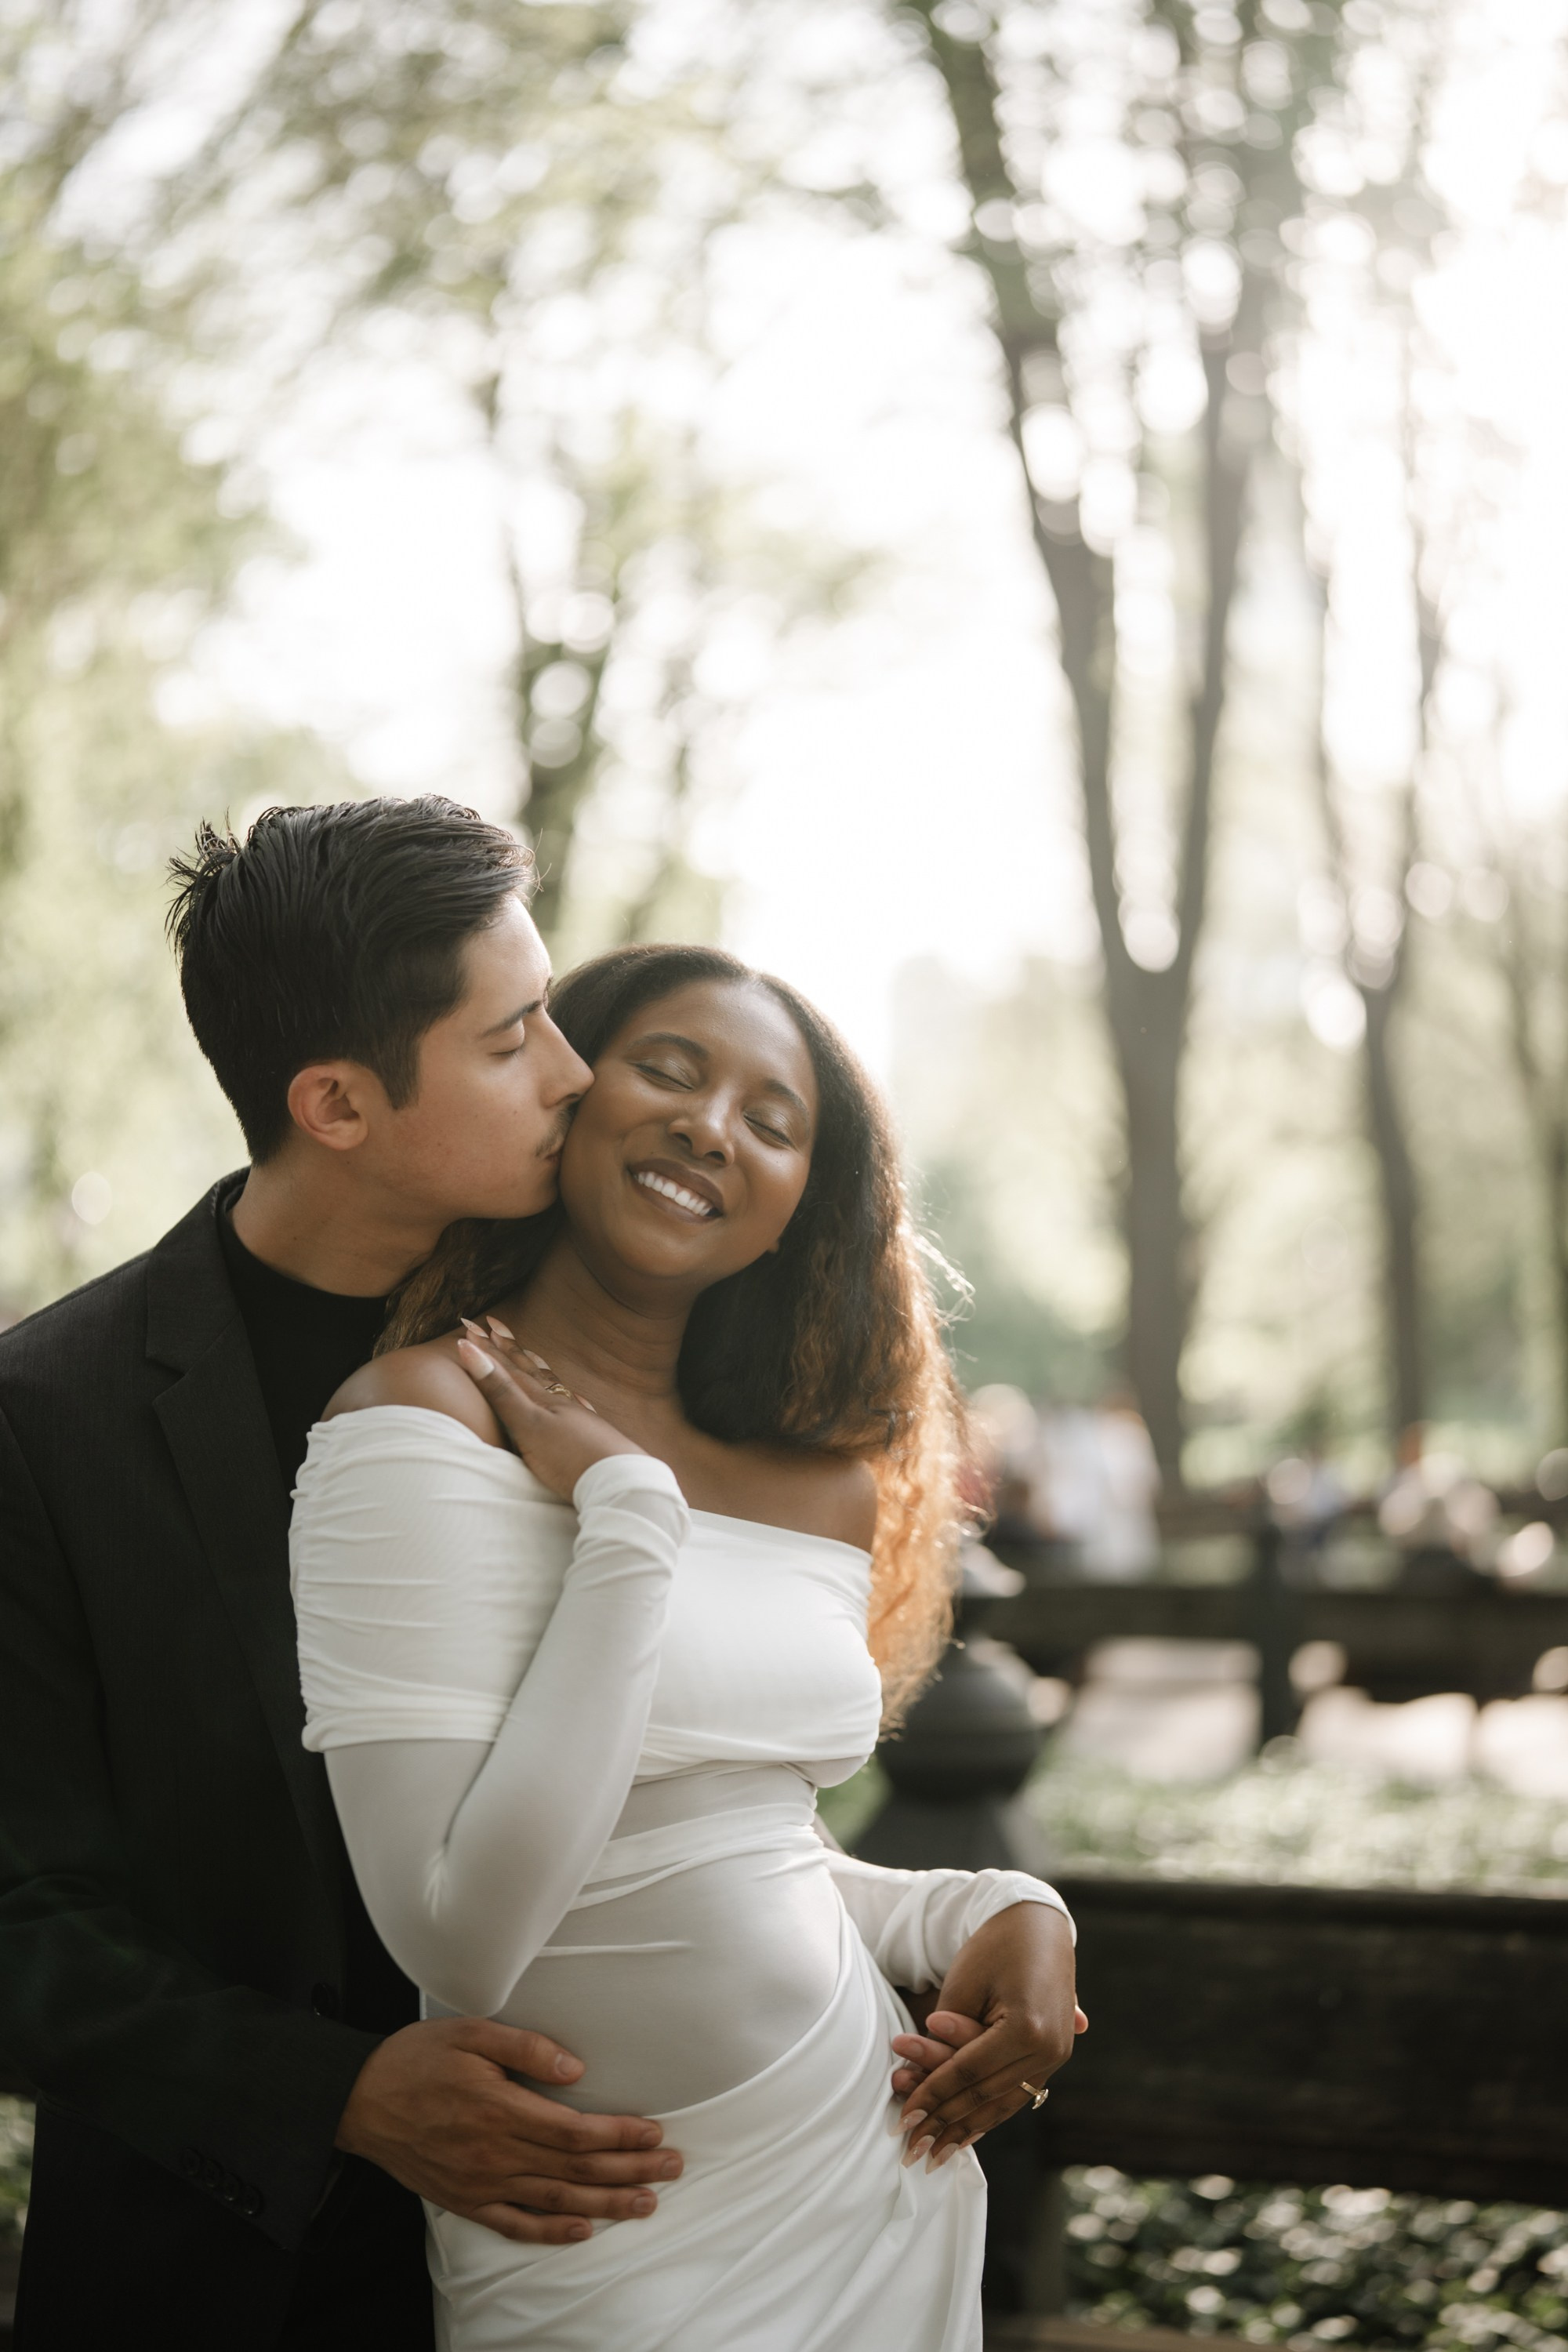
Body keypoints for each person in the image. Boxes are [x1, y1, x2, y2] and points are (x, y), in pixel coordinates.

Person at [292, 943, 1082, 2351]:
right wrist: (627, 1515)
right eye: (669, 1070)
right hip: (609, 2238)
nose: (714, 1126)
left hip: (874, 2180)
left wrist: (988, 1908)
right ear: (570, 1100)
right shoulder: (417, 1423)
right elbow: (462, 1936)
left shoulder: (823, 1487)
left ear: (793, 1211)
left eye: (773, 1123)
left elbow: (738, 1849)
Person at [0, 801, 692, 2350]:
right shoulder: (44, 1418)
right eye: (513, 1040)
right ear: (335, 1102)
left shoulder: (627, 1329)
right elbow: (14, 1913)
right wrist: (337, 2097)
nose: (572, 1074)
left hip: (632, 2244)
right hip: (223, 2283)